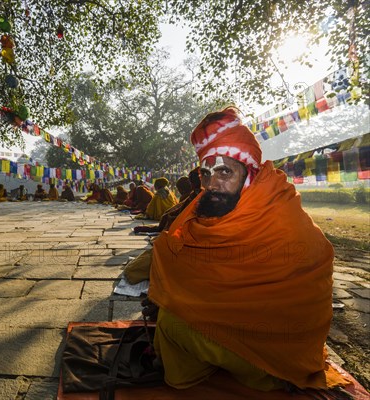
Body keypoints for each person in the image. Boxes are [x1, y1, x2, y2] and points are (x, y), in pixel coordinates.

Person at [147, 107, 348, 392]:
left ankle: (253, 370)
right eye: (206, 173)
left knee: (171, 323)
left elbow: (310, 274)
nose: (212, 183)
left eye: (225, 172)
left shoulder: (281, 216)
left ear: (249, 171)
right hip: (231, 326)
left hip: (277, 352)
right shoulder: (212, 206)